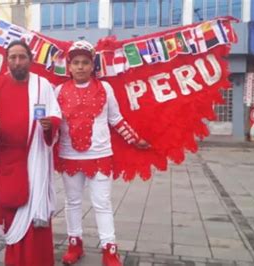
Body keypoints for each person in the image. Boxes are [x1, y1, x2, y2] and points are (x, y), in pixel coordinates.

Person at [55, 40, 149, 266]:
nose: (80, 67)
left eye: (85, 63)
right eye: (75, 63)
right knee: (72, 202)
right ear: (69, 66)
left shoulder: (105, 89)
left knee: (102, 204)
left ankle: (109, 249)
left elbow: (115, 119)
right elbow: (54, 123)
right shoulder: (58, 91)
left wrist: (134, 139)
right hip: (69, 156)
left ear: (92, 66)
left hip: (100, 156)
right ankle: (74, 244)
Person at [0, 40, 62, 266]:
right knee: (13, 215)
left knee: (37, 220)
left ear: (30, 60)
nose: (17, 62)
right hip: (9, 162)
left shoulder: (43, 85)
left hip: (37, 161)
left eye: (21, 57)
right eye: (12, 57)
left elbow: (56, 114)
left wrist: (50, 124)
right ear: (7, 61)